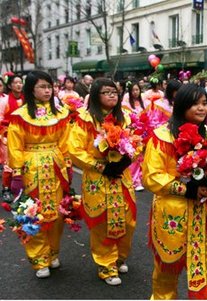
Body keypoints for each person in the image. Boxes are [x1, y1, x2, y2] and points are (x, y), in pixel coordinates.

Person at [142, 84, 207, 299]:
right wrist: (185, 189)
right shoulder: (162, 137)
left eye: (204, 103)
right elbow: (152, 177)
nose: (201, 108)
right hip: (172, 212)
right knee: (167, 268)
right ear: (182, 105)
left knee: (205, 267)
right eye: (195, 103)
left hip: (201, 212)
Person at [68, 78, 136, 286]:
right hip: (98, 176)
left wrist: (126, 159)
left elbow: (135, 141)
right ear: (96, 95)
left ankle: (119, 257)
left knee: (127, 219)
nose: (112, 95)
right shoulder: (85, 118)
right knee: (101, 221)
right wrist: (101, 166)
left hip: (120, 176)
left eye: (114, 92)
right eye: (106, 92)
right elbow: (75, 149)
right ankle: (106, 264)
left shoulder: (124, 117)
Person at [7, 70, 72, 278]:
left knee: (58, 213)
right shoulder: (20, 116)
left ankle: (52, 253)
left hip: (55, 167)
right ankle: (39, 259)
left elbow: (65, 141)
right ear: (31, 90)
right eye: (42, 87)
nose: (47, 90)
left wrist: (67, 165)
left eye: (49, 86)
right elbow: (15, 146)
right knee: (33, 213)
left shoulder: (60, 112)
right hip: (31, 168)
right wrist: (16, 174)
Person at [0, 74, 24, 200]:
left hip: (24, 136)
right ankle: (6, 188)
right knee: (9, 163)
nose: (19, 85)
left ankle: (22, 187)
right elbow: (0, 118)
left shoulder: (26, 100)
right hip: (8, 135)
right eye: (16, 83)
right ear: (9, 85)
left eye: (20, 82)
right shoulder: (4, 101)